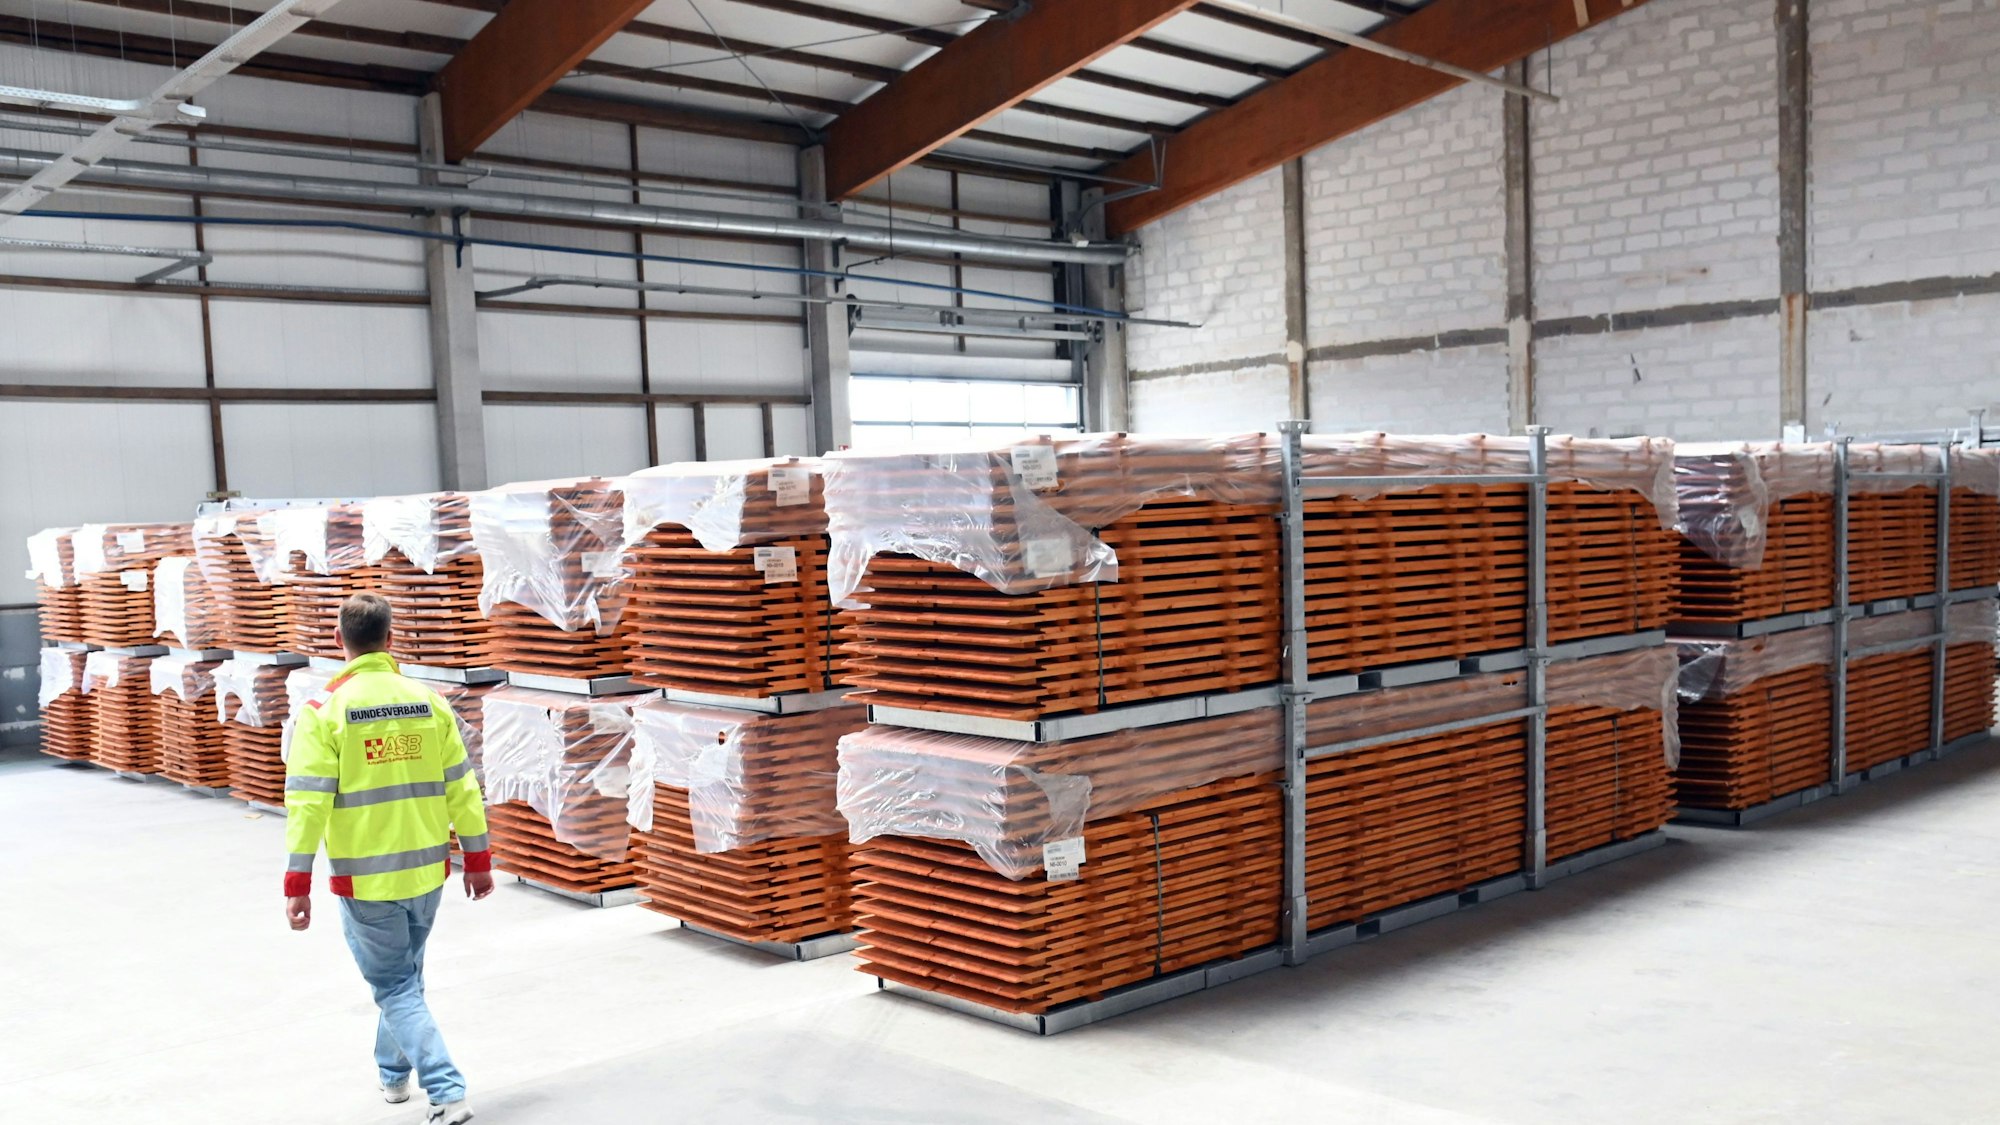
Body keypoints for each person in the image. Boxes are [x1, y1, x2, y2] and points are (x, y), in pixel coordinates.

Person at [283, 592, 494, 1125]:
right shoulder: (429, 702)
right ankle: (393, 1075)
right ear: (390, 639)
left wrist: (297, 882)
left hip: (368, 882)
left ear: (339, 640)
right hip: (426, 874)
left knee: (395, 985)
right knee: (406, 979)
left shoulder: (324, 712)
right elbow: (463, 787)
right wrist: (478, 857)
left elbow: (307, 804)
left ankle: (446, 1091)